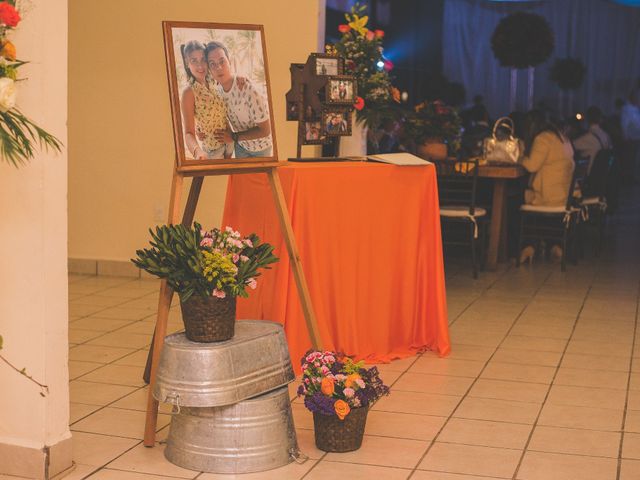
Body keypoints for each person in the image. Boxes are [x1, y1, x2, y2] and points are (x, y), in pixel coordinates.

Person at [518, 110, 575, 263]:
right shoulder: (562, 137)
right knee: (522, 196)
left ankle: (527, 246)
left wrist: (519, 156)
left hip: (549, 197)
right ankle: (553, 244)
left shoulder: (543, 139)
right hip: (563, 195)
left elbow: (531, 166)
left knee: (513, 200)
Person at [206, 41, 273, 158]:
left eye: (222, 61)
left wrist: (233, 137)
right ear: (209, 70)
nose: (219, 67)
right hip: (240, 148)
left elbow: (265, 130)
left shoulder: (247, 88)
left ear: (229, 62)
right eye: (212, 64)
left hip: (262, 149)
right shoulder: (217, 92)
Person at [179, 41, 232, 160]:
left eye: (203, 59)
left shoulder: (214, 80)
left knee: (230, 177)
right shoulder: (189, 92)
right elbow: (188, 133)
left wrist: (242, 79)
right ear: (187, 63)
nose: (200, 66)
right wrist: (198, 152)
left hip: (230, 143)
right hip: (213, 151)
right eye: (194, 61)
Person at [573, 106, 611, 174]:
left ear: (587, 119)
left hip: (588, 175)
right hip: (602, 174)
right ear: (600, 119)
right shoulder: (606, 136)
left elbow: (570, 146)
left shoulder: (588, 138)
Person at [621, 89, 640, 182]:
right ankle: (627, 177)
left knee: (634, 158)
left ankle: (632, 176)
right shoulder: (627, 109)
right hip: (631, 138)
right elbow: (624, 123)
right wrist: (626, 136)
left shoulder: (636, 109)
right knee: (630, 158)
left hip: (636, 137)